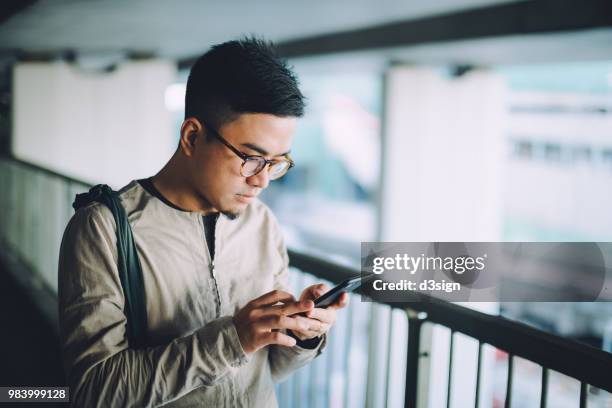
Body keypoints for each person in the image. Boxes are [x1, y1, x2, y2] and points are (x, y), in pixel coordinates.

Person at [58, 37, 348, 407]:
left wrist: (302, 334)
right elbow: (94, 391)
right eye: (251, 158)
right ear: (192, 136)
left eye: (277, 162)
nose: (261, 180)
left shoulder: (262, 223)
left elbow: (266, 370)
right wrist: (232, 340)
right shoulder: (104, 229)